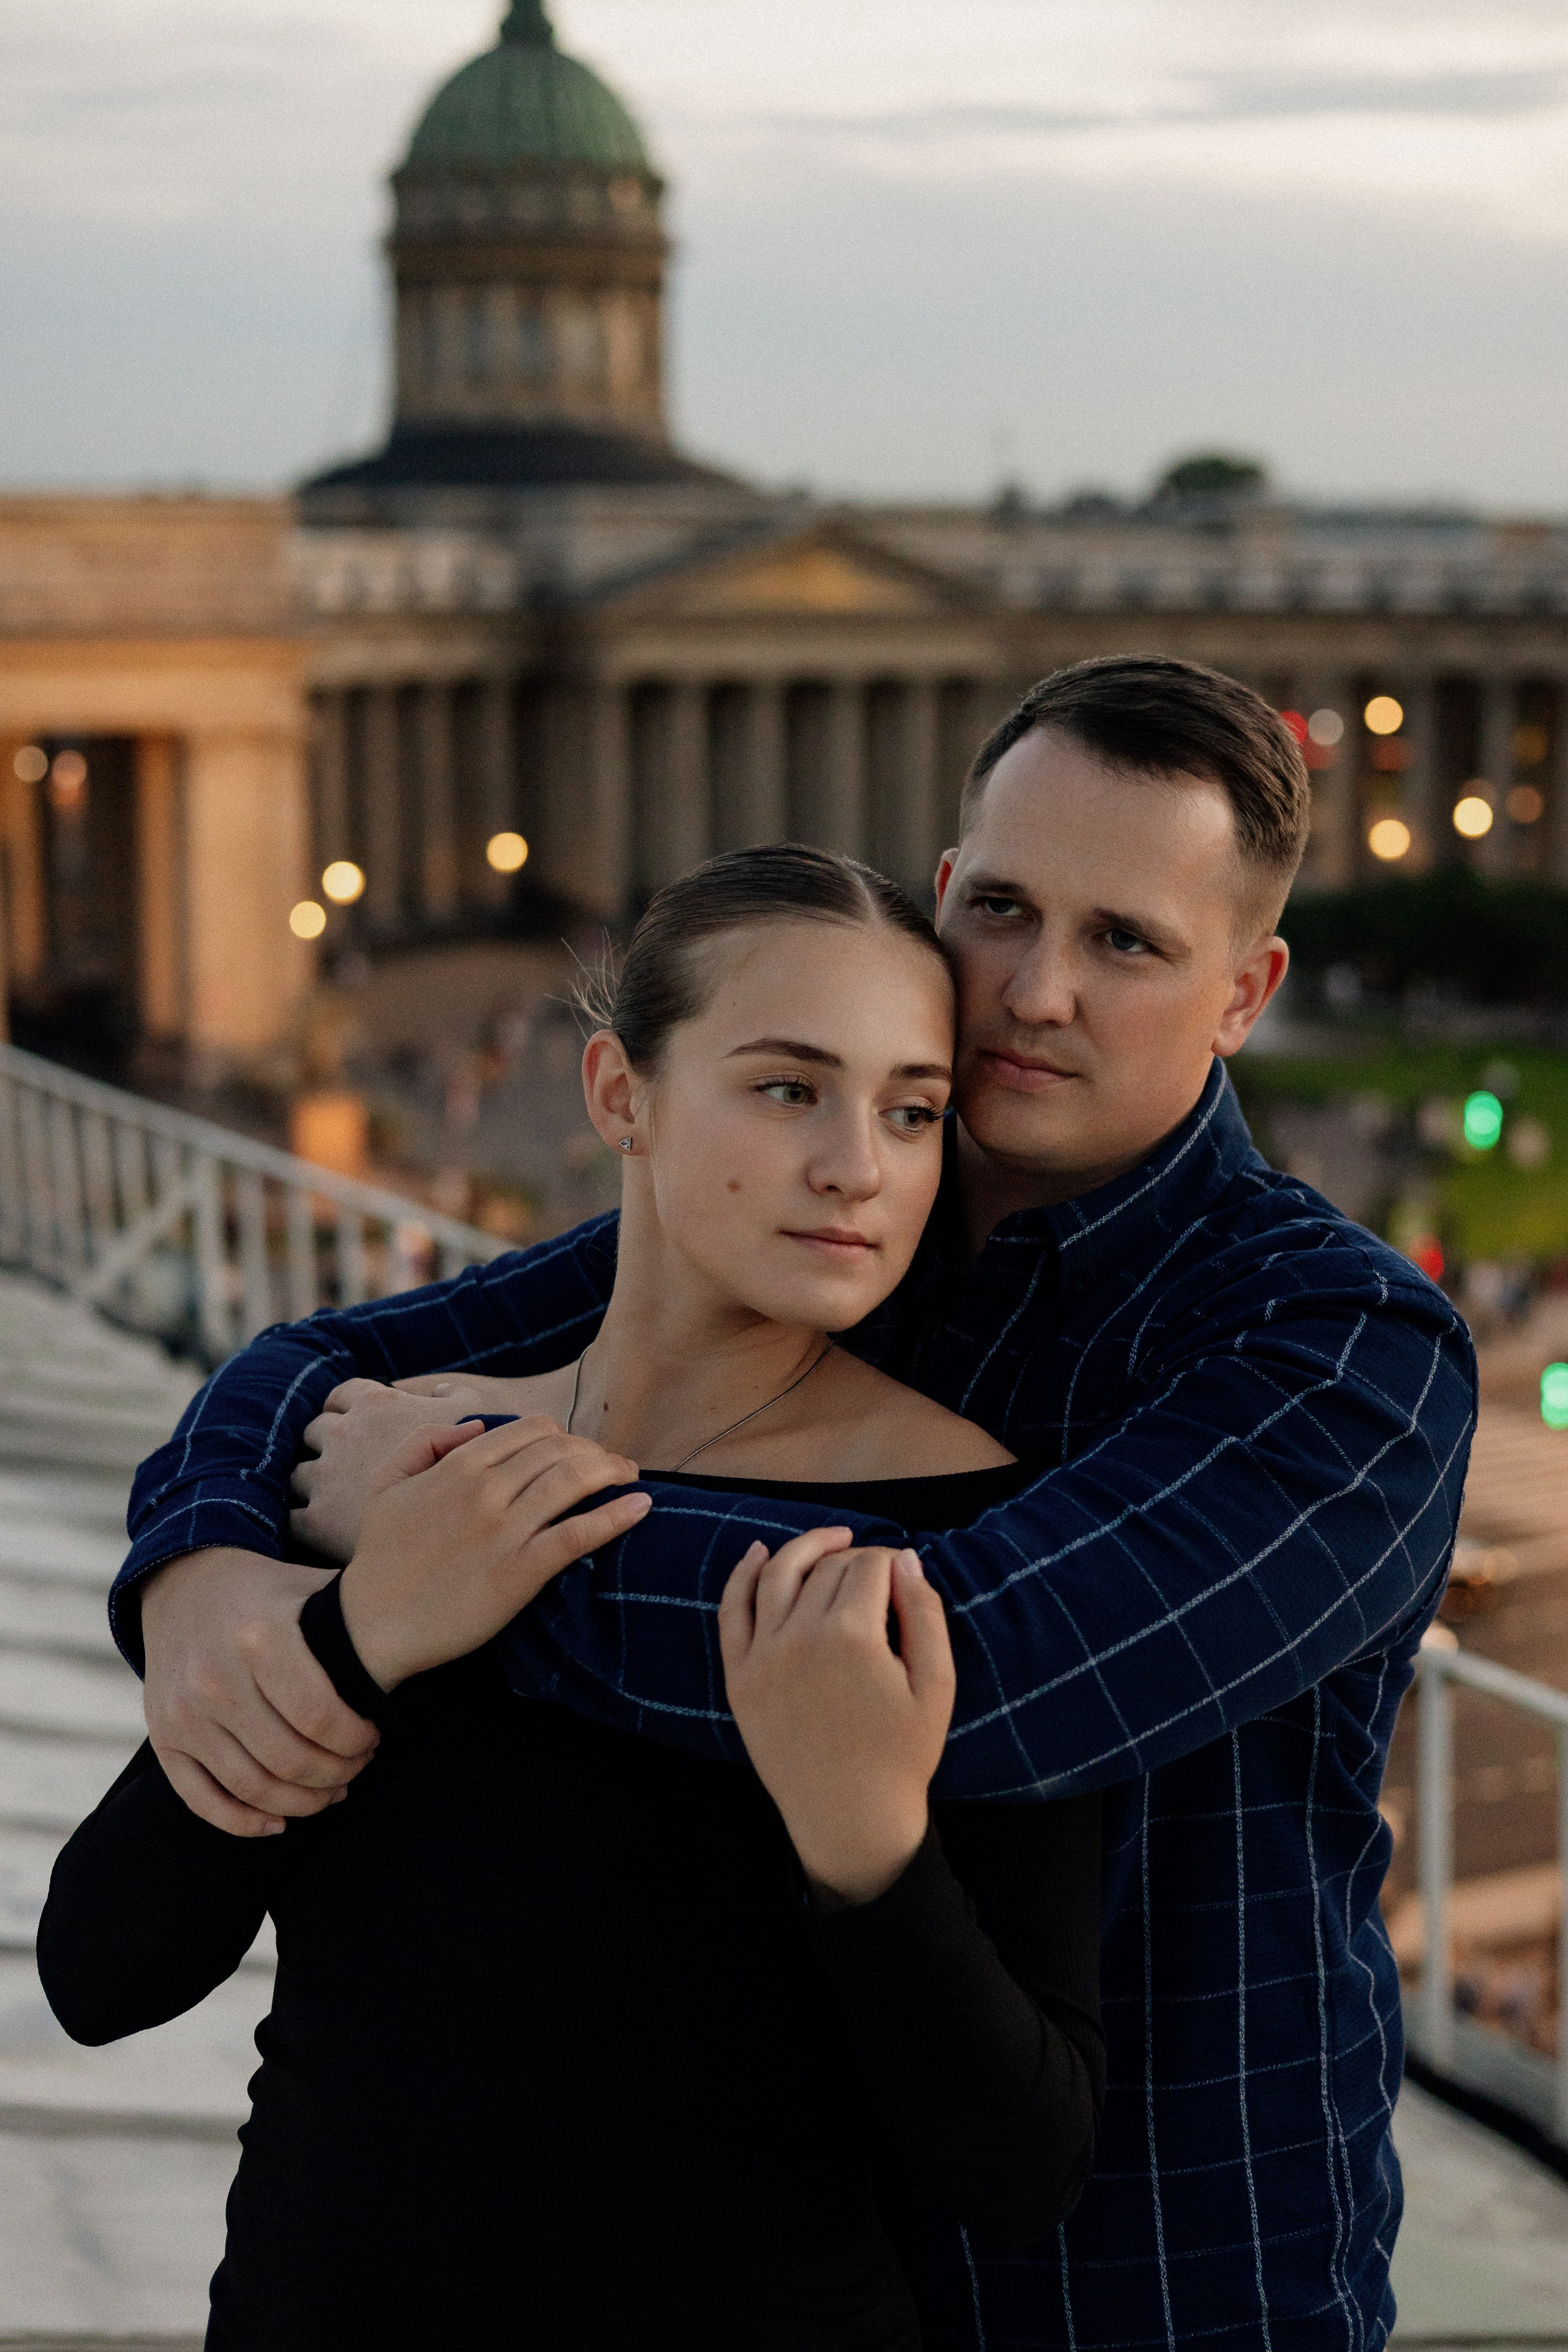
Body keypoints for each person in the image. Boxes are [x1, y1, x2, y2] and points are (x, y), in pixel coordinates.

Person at [114, 655, 1477, 2351]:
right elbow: (324, 1363)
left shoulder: (1343, 1345)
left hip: (1153, 2273)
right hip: (819, 2254)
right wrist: (200, 1555)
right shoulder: (852, 1212)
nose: (1033, 991)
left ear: (1244, 992)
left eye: (1125, 942)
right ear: (943, 888)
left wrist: (433, 1550)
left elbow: (961, 1674)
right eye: (1000, 909)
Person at [42, 849, 1105, 2351]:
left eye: (911, 1111)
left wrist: (865, 1851)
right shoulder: (392, 1463)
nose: (857, 1168)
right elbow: (102, 1969)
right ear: (619, 1095)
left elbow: (1021, 2165)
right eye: (788, 1089)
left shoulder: (971, 1531)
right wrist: (358, 1638)